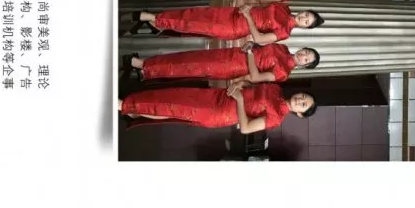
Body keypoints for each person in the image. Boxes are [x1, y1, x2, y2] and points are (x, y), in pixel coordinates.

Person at [118, 83, 316, 133]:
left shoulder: (277, 117)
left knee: (175, 108)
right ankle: (132, 108)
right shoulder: (276, 89)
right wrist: (240, 85)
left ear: (299, 114)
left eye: (303, 104)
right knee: (174, 96)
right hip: (219, 96)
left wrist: (239, 99)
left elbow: (246, 128)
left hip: (219, 113)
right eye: (304, 97)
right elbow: (251, 87)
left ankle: (123, 105)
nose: (300, 99)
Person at [126, 43, 320, 82]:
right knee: (189, 57)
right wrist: (252, 45)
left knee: (191, 67)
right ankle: (145, 65)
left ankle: (144, 68)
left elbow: (256, 77)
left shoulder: (284, 73)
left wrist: (250, 54)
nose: (303, 55)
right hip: (231, 54)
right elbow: (260, 49)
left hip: (232, 66)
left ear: (304, 65)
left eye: (306, 59)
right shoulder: (283, 48)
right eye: (306, 52)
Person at [129, 3, 323, 42]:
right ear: (304, 10)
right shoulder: (284, 8)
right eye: (307, 15)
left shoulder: (285, 32)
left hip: (234, 27)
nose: (304, 18)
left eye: (307, 22)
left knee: (194, 25)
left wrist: (248, 17)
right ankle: (157, 20)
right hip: (233, 13)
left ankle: (152, 18)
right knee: (194, 13)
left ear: (305, 27)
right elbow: (263, 4)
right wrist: (249, 6)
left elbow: (259, 39)